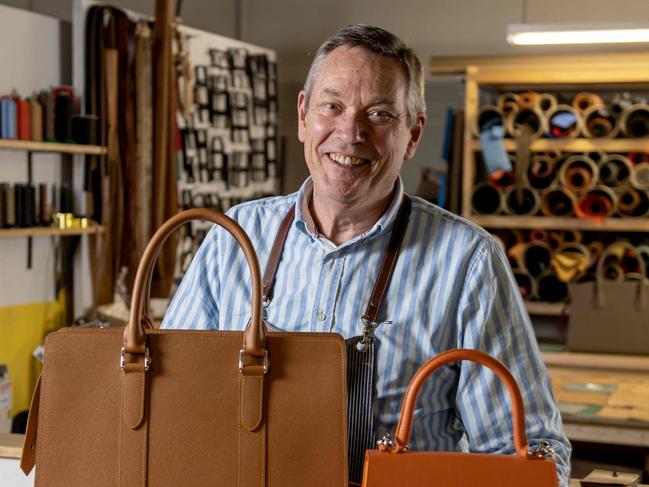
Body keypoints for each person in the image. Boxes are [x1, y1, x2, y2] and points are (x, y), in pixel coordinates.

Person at [163, 24, 571, 486]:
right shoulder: (233, 241)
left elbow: (530, 455)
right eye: (331, 106)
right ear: (303, 115)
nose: (349, 132)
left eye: (378, 115)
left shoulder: (467, 262)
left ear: (413, 135)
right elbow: (172, 410)